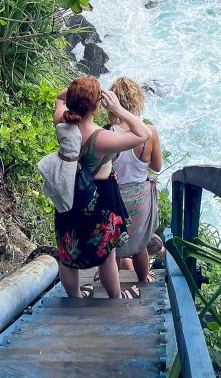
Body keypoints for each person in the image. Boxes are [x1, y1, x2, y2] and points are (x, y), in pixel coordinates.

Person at [52, 76, 150, 299]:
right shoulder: (101, 138)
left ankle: (75, 296)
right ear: (97, 106)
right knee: (106, 254)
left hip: (68, 194)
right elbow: (143, 134)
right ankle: (115, 297)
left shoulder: (62, 123)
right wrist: (118, 108)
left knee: (67, 250)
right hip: (97, 198)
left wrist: (79, 93)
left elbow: (59, 97)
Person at [108, 77, 162, 282]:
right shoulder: (150, 132)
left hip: (116, 198)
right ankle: (143, 279)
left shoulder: (108, 133)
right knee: (139, 245)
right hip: (140, 198)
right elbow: (156, 167)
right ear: (138, 100)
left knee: (114, 244)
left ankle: (109, 281)